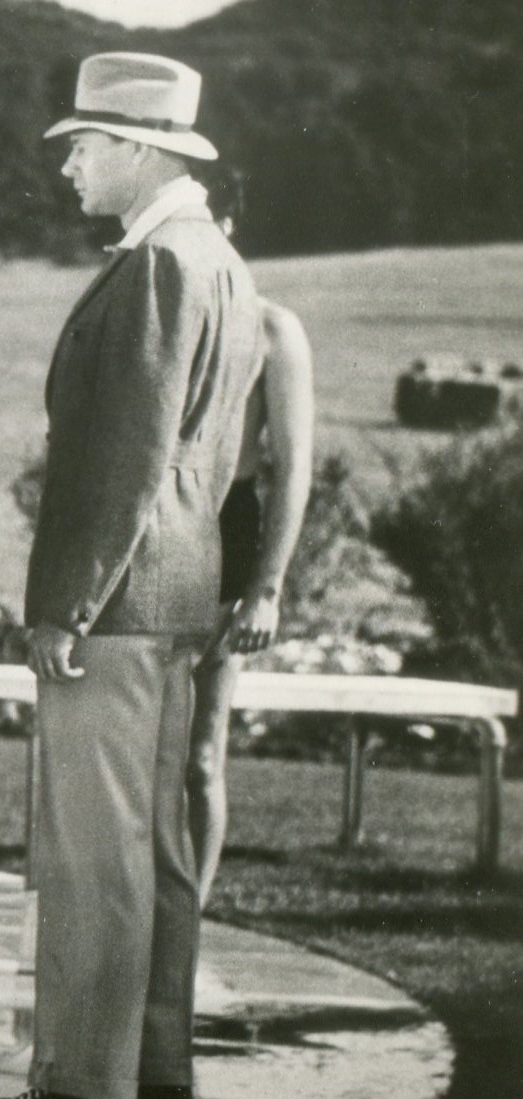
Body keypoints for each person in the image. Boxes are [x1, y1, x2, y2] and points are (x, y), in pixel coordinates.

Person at [0, 54, 263, 1099]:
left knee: (94, 851)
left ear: (139, 152)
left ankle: (85, 1084)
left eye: (83, 148)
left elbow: (124, 462)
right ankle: (154, 1067)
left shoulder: (153, 268)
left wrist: (68, 608)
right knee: (157, 849)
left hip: (121, 604)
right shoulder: (216, 261)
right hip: (175, 596)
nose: (69, 168)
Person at [190, 295, 313, 903]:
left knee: (199, 758)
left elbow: (292, 466)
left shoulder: (271, 328)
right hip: (152, 522)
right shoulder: (155, 307)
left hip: (226, 529)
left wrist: (266, 589)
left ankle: (184, 931)